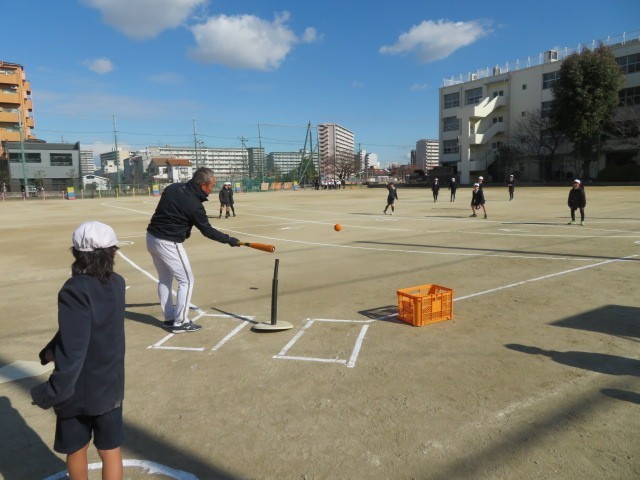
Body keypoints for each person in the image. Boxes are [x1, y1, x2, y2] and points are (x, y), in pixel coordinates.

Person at [31, 221, 126, 480]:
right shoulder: (117, 283)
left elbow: (73, 348)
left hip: (79, 390)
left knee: (76, 448)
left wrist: (52, 391)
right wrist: (51, 348)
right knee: (110, 450)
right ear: (112, 252)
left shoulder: (74, 288)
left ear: (76, 253)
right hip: (111, 384)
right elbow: (89, 326)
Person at [147, 167, 240, 333]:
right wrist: (229, 240)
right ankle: (180, 322)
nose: (212, 189)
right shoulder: (195, 205)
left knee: (165, 279)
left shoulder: (172, 188)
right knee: (187, 281)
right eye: (212, 186)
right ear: (203, 185)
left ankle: (169, 318)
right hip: (169, 242)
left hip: (152, 237)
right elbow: (207, 231)